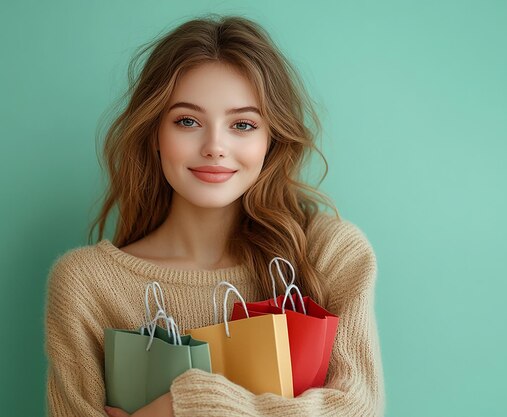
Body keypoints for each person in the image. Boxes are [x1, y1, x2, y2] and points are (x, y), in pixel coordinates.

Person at [44, 14, 385, 417]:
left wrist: (184, 405)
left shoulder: (329, 254)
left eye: (242, 124)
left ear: (270, 140)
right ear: (155, 132)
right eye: (188, 121)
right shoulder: (87, 285)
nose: (215, 147)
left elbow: (357, 408)